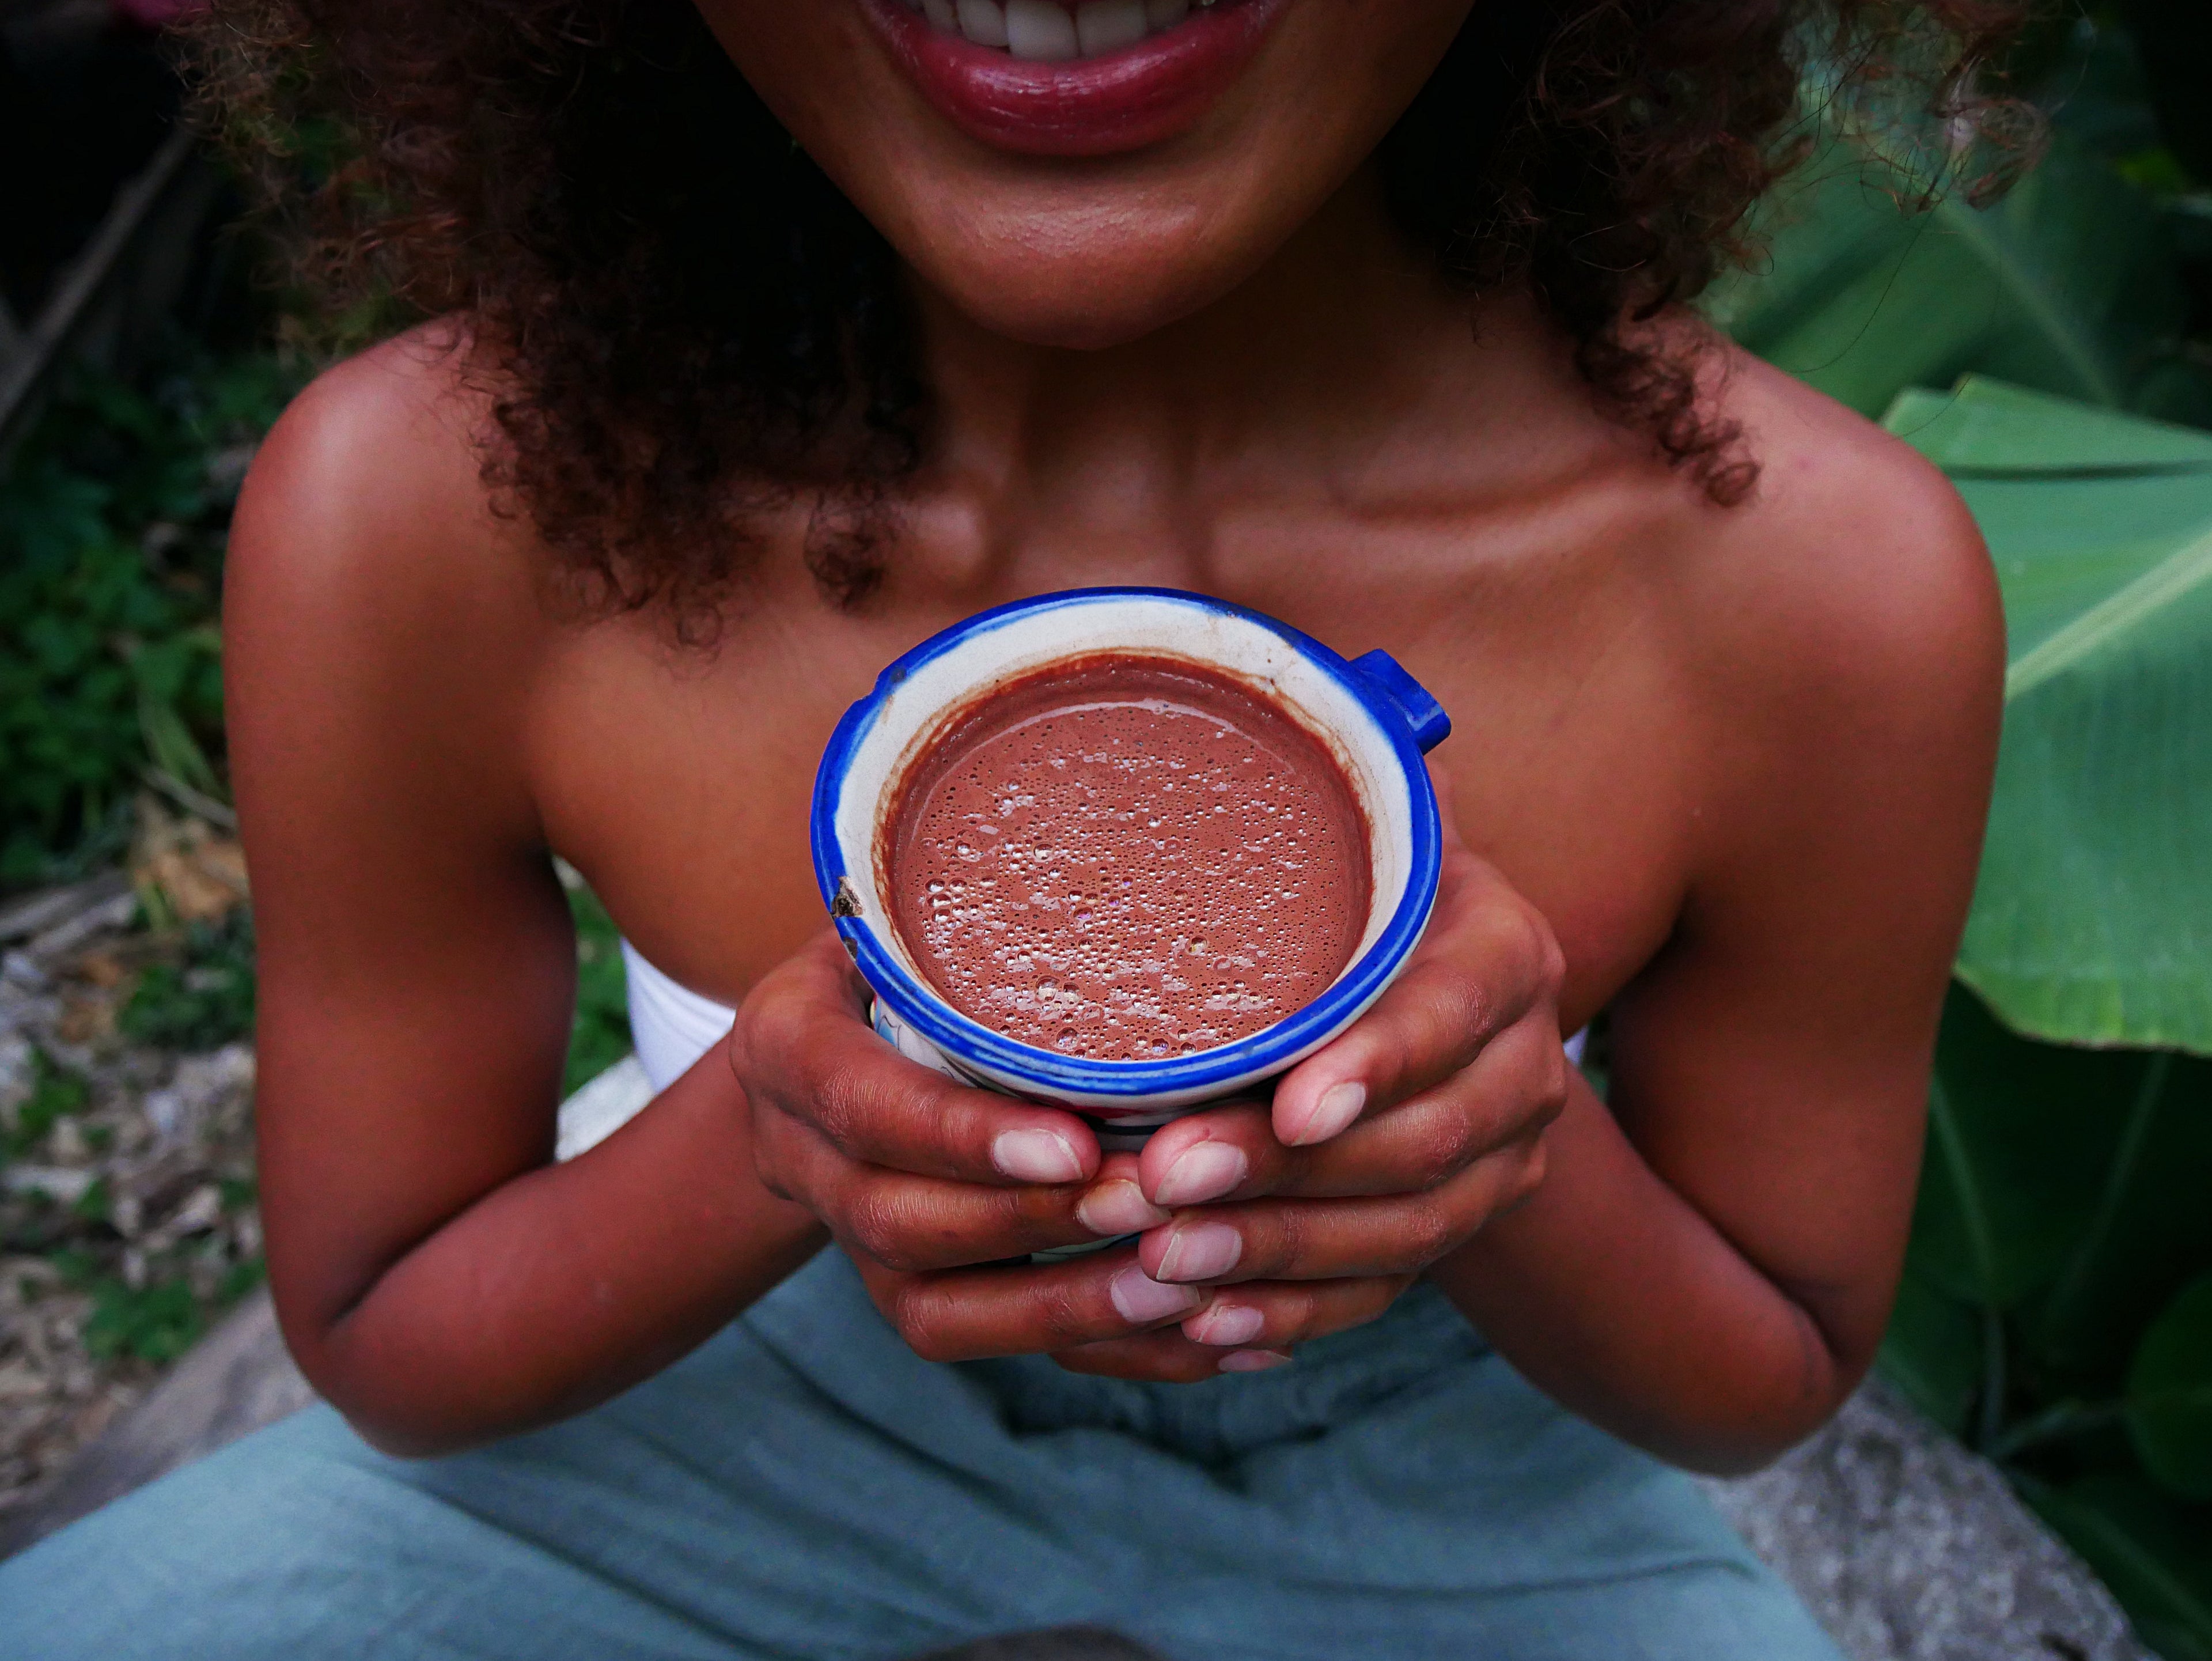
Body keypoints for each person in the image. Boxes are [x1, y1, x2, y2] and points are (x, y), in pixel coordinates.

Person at [1, 0, 2023, 1655]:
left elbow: (1767, 1366)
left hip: (1483, 1496)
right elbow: (386, 1328)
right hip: (726, 1418)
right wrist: (771, 1134)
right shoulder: (433, 516)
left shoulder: (1808, 590)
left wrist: (1502, 1142)